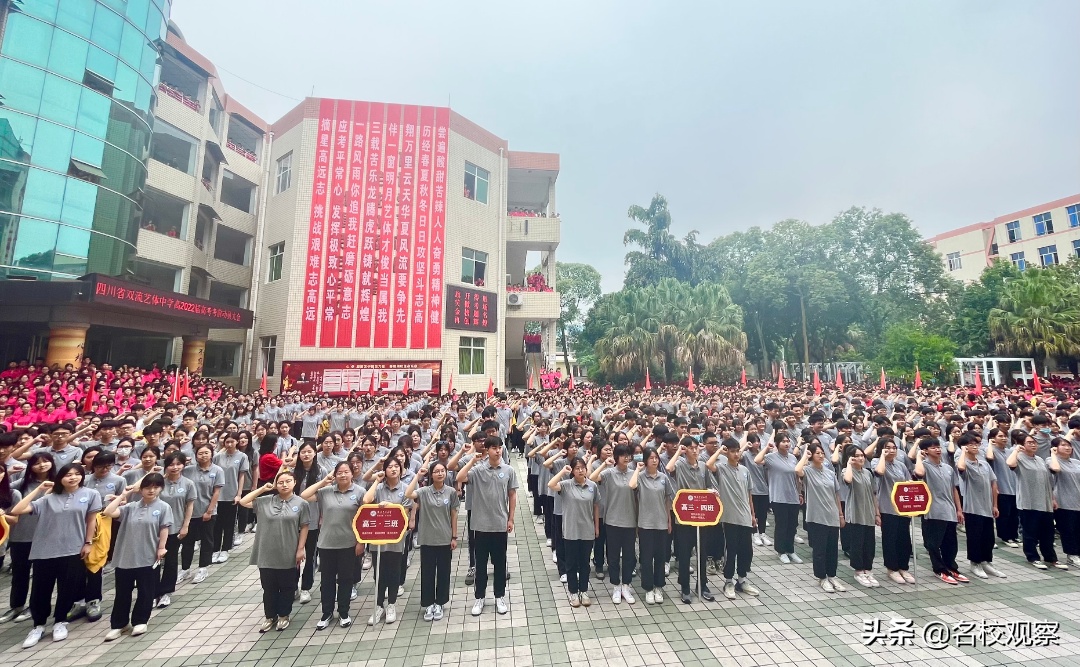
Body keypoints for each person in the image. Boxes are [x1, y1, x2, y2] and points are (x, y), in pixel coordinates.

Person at [11, 463, 102, 648]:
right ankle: (38, 625)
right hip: (44, 551)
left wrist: (88, 543)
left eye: (77, 474)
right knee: (40, 590)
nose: (73, 477)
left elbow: (91, 520)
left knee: (68, 588)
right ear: (60, 478)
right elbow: (17, 510)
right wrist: (38, 489)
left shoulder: (91, 494)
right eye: (68, 475)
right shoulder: (48, 499)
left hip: (73, 549)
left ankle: (60, 621)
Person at [102, 473, 171, 641]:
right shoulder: (130, 507)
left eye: (156, 487)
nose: (151, 490)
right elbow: (108, 512)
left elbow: (164, 528)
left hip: (148, 555)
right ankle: (119, 624)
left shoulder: (163, 507)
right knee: (122, 592)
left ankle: (140, 621)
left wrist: (161, 547)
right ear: (141, 489)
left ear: (161, 488)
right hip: (125, 557)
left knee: (146, 591)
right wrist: (123, 496)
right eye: (147, 487)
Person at [241, 469, 310, 633]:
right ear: (275, 485)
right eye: (280, 482)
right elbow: (244, 501)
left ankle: (284, 615)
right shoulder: (265, 501)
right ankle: (270, 616)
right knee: (269, 587)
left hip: (288, 551)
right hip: (266, 552)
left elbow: (305, 526)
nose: (284, 485)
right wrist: (263, 488)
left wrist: (301, 549)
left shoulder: (301, 504)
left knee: (287, 587)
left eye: (288, 481)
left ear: (295, 483)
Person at [456, 436, 517, 617]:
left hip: (499, 523)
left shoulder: (508, 470)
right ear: (487, 449)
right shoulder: (478, 470)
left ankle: (499, 596)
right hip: (480, 525)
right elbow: (460, 477)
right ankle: (480, 597)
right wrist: (472, 461)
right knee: (481, 564)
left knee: (500, 563)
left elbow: (512, 495)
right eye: (494, 448)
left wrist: (511, 519)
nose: (497, 451)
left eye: (500, 447)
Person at [300, 461, 365, 629]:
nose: (343, 475)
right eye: (339, 472)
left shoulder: (359, 492)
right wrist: (323, 482)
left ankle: (344, 612)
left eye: (346, 472)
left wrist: (361, 542)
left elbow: (364, 518)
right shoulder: (325, 492)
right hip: (327, 543)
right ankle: (327, 613)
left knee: (346, 580)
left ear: (352, 474)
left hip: (349, 543)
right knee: (327, 580)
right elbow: (304, 495)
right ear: (334, 475)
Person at [0, 452, 52, 624]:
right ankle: (16, 606)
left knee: (39, 575)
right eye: (37, 463)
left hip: (44, 535)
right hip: (20, 536)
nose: (42, 465)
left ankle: (34, 606)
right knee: (19, 574)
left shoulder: (58, 483)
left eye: (45, 461)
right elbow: (5, 488)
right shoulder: (21, 485)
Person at [362, 458, 413, 625]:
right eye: (389, 467)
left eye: (396, 466)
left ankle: (391, 604)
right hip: (377, 537)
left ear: (401, 469)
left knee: (394, 571)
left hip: (396, 537)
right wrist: (377, 481)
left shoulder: (405, 489)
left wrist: (390, 506)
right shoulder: (378, 488)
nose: (393, 469)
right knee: (379, 573)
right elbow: (366, 500)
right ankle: (378, 606)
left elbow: (405, 514)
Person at [406, 461, 459, 621]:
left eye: (442, 471)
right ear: (431, 474)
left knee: (443, 572)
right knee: (427, 573)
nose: (440, 473)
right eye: (436, 471)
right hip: (427, 539)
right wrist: (418, 476)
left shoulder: (450, 492)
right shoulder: (423, 491)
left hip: (445, 539)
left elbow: (454, 515)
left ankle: (440, 603)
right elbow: (408, 494)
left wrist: (454, 536)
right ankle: (428, 603)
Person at [666, 437, 716, 603]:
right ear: (685, 449)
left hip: (701, 518)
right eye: (690, 448)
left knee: (702, 552)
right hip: (684, 517)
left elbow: (708, 486)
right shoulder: (680, 464)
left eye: (696, 447)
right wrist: (678, 453)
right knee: (685, 553)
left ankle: (702, 585)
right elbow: (669, 468)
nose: (694, 451)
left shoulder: (703, 466)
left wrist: (713, 492)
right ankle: (685, 587)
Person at [1007, 433, 1067, 570]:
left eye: (1034, 442)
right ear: (1022, 444)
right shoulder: (1019, 458)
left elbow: (1048, 480)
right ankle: (1033, 557)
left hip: (1045, 502)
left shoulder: (1040, 459)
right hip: (1028, 502)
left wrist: (1052, 499)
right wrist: (1016, 450)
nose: (1033, 445)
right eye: (1029, 442)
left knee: (1048, 533)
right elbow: (1010, 463)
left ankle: (1051, 558)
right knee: (1030, 533)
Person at [913, 438, 968, 585]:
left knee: (951, 543)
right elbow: (919, 473)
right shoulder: (924, 466)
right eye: (933, 448)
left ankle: (951, 567)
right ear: (925, 451)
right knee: (934, 543)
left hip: (949, 510)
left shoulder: (948, 468)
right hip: (933, 511)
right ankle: (939, 570)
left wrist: (959, 509)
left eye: (938, 447)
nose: (938, 449)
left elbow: (954, 489)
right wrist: (919, 457)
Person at [589, 444, 637, 604]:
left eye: (628, 455)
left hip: (630, 520)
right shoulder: (609, 473)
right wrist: (604, 463)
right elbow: (592, 477)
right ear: (616, 457)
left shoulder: (634, 473)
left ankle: (626, 585)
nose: (627, 458)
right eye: (623, 455)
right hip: (612, 521)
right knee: (614, 556)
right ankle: (616, 586)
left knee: (629, 556)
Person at [795, 442, 846, 593]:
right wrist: (805, 455)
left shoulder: (830, 473)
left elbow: (836, 494)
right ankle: (822, 578)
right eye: (817, 453)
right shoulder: (807, 471)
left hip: (832, 515)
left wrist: (840, 514)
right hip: (816, 517)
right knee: (819, 550)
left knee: (832, 549)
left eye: (822, 453)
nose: (821, 455)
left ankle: (832, 576)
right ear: (811, 455)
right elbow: (797, 470)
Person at [548, 458, 599, 607]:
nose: (580, 470)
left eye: (583, 467)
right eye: (577, 468)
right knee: (571, 564)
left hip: (587, 530)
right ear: (572, 470)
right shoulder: (566, 485)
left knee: (585, 563)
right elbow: (551, 484)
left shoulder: (592, 486)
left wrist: (596, 527)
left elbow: (596, 506)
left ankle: (584, 591)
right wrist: (563, 472)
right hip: (571, 531)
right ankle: (573, 592)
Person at [715, 438, 761, 598]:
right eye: (732, 451)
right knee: (731, 550)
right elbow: (708, 465)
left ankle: (741, 580)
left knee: (746, 550)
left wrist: (752, 515)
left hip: (745, 516)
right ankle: (728, 581)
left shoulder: (745, 470)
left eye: (737, 451)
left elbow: (749, 494)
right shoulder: (721, 468)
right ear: (726, 452)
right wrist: (719, 451)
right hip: (729, 517)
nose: (736, 454)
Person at [955, 433, 1004, 578]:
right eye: (971, 444)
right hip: (972, 508)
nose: (975, 447)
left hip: (987, 507)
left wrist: (995, 505)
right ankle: (975, 563)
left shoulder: (984, 464)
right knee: (974, 537)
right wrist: (963, 452)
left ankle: (986, 562)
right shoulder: (964, 463)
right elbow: (961, 467)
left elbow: (993, 484)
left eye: (976, 444)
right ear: (964, 447)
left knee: (988, 537)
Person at [629, 446, 672, 604]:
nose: (654, 460)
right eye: (651, 458)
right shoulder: (640, 477)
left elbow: (667, 500)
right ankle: (648, 588)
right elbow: (632, 485)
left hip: (661, 523)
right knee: (646, 558)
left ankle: (659, 587)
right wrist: (638, 469)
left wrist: (669, 521)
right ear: (645, 460)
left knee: (660, 557)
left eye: (656, 458)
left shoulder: (663, 477)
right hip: (645, 524)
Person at [754, 432, 803, 564]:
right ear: (777, 444)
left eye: (788, 441)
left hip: (793, 496)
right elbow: (757, 460)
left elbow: (797, 478)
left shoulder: (793, 458)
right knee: (782, 525)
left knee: (792, 525)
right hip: (778, 497)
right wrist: (766, 448)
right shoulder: (771, 457)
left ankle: (790, 550)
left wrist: (799, 493)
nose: (786, 444)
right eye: (783, 441)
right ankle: (781, 551)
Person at [871, 439, 915, 585]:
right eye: (887, 448)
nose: (892, 450)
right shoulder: (876, 462)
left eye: (894, 447)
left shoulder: (900, 465)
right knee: (890, 539)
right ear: (881, 449)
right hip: (887, 507)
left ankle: (903, 567)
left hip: (902, 507)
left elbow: (908, 482)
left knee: (904, 538)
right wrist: (883, 456)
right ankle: (892, 569)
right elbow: (879, 472)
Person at [179, 443, 224, 584]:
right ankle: (185, 569)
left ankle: (203, 568)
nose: (203, 456)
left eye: (206, 453)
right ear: (195, 455)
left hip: (207, 512)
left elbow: (216, 492)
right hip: (189, 513)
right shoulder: (188, 470)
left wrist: (209, 511)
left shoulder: (217, 470)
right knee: (187, 542)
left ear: (211, 454)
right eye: (200, 453)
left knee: (206, 540)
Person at [156, 452, 194, 608]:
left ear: (184, 465)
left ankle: (166, 592)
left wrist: (185, 526)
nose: (175, 467)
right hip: (155, 528)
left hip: (174, 528)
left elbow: (189, 506)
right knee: (153, 562)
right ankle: (153, 592)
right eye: (171, 464)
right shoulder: (158, 482)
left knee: (171, 561)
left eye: (178, 464)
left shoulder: (188, 484)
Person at [841, 444, 880, 587]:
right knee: (857, 544)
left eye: (862, 455)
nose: (861, 458)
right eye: (856, 456)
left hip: (868, 512)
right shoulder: (846, 471)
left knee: (869, 544)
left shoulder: (868, 473)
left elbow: (873, 494)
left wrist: (877, 513)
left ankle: (868, 570)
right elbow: (848, 480)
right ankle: (858, 571)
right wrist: (849, 464)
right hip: (855, 513)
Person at [211, 432, 250, 564]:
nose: (229, 444)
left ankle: (225, 549)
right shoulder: (217, 457)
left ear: (237, 442)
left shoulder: (242, 456)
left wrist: (239, 494)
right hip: (218, 495)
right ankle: (215, 549)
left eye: (232, 441)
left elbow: (241, 476)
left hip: (231, 494)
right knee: (217, 524)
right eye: (227, 442)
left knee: (229, 523)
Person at [292, 442, 322, 603]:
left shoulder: (321, 472)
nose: (306, 454)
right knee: (293, 556)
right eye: (303, 452)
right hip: (294, 520)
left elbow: (324, 495)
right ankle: (293, 586)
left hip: (313, 519)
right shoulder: (293, 472)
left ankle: (306, 588)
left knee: (310, 556)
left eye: (309, 451)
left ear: (315, 453)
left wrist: (322, 516)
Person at [1049, 439, 1080, 568]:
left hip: (1077, 501)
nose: (1067, 447)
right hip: (1063, 502)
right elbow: (1055, 469)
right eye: (1063, 445)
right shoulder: (1051, 461)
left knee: (1078, 530)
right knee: (1068, 530)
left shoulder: (1076, 462)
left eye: (1069, 445)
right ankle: (1072, 555)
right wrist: (1053, 454)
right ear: (1055, 448)